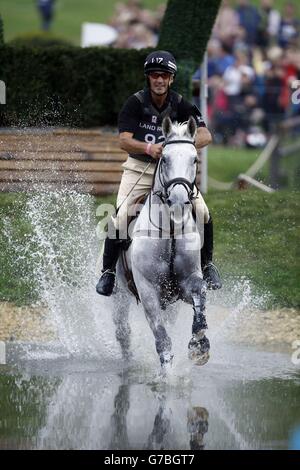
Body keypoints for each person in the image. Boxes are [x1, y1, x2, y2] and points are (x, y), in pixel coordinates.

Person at [96, 50, 222, 296]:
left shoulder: (182, 103)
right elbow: (124, 140)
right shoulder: (135, 102)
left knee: (203, 211)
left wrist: (179, 147)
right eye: (154, 75)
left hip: (172, 171)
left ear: (171, 79)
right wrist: (149, 148)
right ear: (148, 78)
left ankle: (207, 265)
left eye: (164, 75)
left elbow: (206, 135)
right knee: (120, 216)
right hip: (139, 169)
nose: (159, 80)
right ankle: (108, 272)